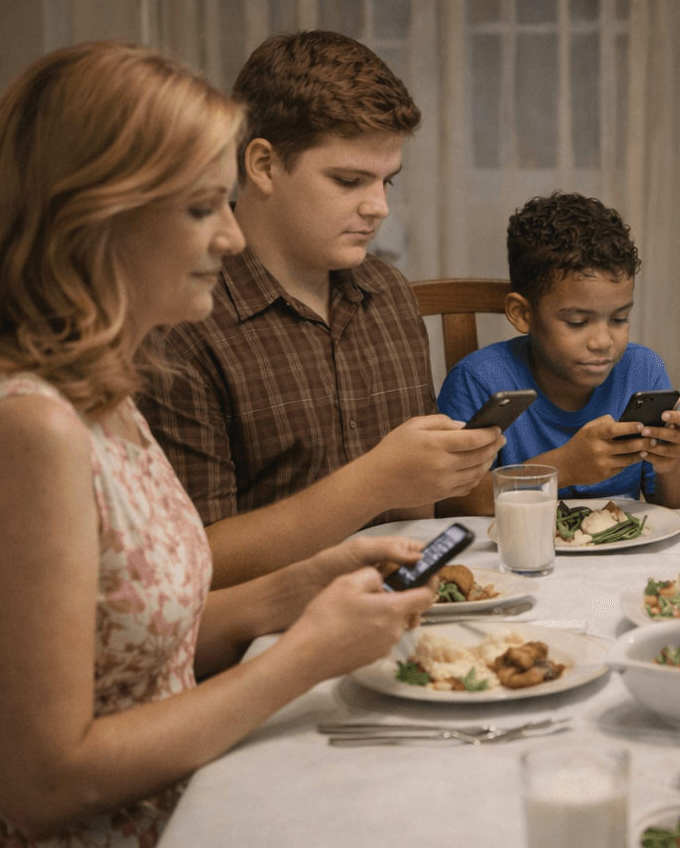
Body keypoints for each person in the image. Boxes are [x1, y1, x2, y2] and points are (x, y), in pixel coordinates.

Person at [0, 42, 439, 848]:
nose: (229, 236)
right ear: (95, 219)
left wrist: (295, 590)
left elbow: (140, 638)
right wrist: (300, 658)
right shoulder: (27, 429)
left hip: (187, 815)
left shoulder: (102, 386)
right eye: (199, 208)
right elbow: (44, 782)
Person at [137, 31, 503, 587]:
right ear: (263, 165)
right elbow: (194, 564)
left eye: (387, 181)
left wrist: (444, 470)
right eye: (349, 180)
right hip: (267, 624)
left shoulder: (388, 294)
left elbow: (418, 514)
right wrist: (375, 481)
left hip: (403, 598)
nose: (378, 207)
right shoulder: (186, 320)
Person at [437, 192, 680, 513]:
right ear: (522, 314)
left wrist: (671, 464)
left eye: (619, 319)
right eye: (578, 322)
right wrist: (564, 467)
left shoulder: (642, 369)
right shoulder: (479, 380)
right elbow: (451, 505)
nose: (603, 341)